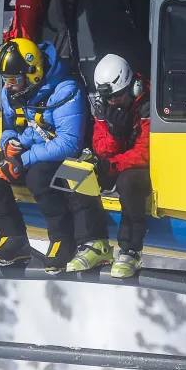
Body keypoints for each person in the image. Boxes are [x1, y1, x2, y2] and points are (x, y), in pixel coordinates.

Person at [0, 37, 104, 272]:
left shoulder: (66, 90)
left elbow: (69, 143)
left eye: (12, 80)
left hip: (62, 156)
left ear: (33, 74)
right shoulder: (12, 91)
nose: (7, 86)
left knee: (39, 177)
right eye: (4, 79)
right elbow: (9, 127)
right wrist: (9, 144)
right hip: (31, 148)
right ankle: (13, 238)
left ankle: (62, 240)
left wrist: (23, 159)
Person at [66, 54, 151, 279]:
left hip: (142, 167)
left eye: (117, 96)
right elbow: (100, 146)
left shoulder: (148, 104)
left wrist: (112, 164)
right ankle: (94, 243)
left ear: (132, 87)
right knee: (76, 171)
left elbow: (145, 152)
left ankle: (131, 250)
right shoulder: (104, 106)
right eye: (108, 98)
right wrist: (115, 134)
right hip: (117, 161)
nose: (113, 102)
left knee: (127, 181)